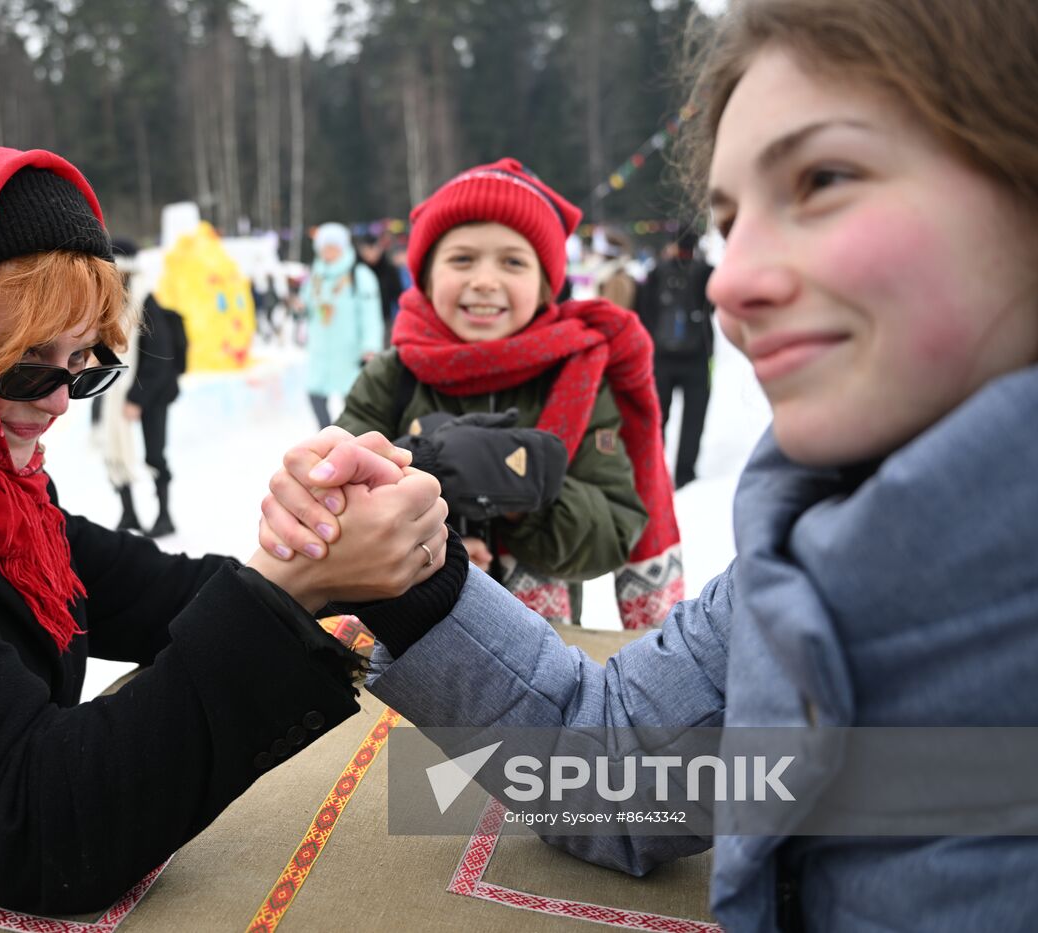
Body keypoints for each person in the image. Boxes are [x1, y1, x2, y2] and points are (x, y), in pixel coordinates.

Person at [261, 0, 1038, 927]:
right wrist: (408, 565)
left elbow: (612, 520)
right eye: (728, 218)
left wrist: (525, 493)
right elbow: (613, 767)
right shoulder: (812, 554)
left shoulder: (587, 377)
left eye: (824, 178)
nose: (729, 282)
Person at [0, 146, 457, 933]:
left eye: (84, 365)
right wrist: (284, 585)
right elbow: (42, 825)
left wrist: (325, 542)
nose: (60, 403)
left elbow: (149, 588)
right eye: (25, 370)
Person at [333, 158, 684, 629]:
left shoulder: (577, 378)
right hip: (404, 646)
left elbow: (615, 529)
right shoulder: (392, 375)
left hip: (540, 658)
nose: (484, 280)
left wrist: (525, 497)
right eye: (462, 259)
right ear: (427, 275)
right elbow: (335, 504)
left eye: (512, 262)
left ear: (545, 286)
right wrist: (424, 473)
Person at [635, 229, 715, 488]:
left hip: (660, 358)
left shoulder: (656, 272)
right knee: (694, 419)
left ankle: (655, 471)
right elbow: (714, 306)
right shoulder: (706, 272)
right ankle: (685, 475)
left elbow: (642, 311)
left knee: (657, 417)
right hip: (698, 357)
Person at [299, 223, 385, 427]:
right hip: (320, 350)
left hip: (349, 351)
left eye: (333, 247)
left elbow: (371, 315)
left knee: (352, 400)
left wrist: (370, 347)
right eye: (324, 247)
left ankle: (351, 440)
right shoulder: (315, 277)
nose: (328, 252)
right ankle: (325, 437)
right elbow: (309, 305)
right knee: (316, 394)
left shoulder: (359, 275)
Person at [120, 290, 188, 537]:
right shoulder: (122, 302)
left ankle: (164, 516)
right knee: (118, 452)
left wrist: (135, 399)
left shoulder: (145, 303)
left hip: (153, 393)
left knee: (154, 455)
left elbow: (159, 358)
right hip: (125, 391)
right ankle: (129, 513)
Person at [355, 231, 405, 340]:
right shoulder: (355, 272)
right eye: (368, 249)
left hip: (385, 321)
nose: (371, 253)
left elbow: (399, 296)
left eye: (374, 248)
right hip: (360, 322)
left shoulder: (390, 270)